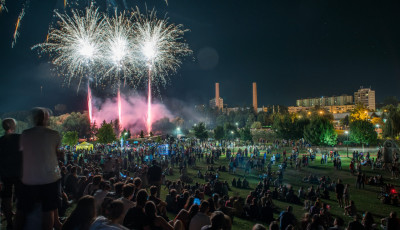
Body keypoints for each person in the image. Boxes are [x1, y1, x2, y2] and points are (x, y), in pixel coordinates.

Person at [16, 108, 64, 230]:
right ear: (45, 119)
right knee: (48, 209)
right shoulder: (54, 134)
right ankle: (54, 224)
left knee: (22, 209)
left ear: (33, 119)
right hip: (49, 177)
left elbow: (22, 152)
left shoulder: (25, 134)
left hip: (28, 178)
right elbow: (58, 153)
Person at [0, 118, 22, 229]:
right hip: (19, 172)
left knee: (6, 197)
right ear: (14, 126)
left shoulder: (1, 141)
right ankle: (18, 220)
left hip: (4, 174)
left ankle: (9, 222)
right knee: (19, 197)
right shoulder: (19, 138)